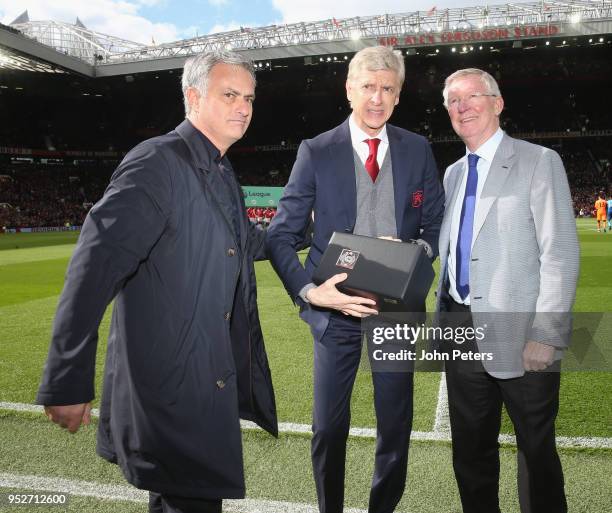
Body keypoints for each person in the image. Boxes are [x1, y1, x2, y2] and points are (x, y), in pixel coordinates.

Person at [36, 51, 278, 513]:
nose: (244, 107)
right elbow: (93, 268)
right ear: (194, 96)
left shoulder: (223, 170)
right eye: (230, 95)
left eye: (248, 97)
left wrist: (308, 232)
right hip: (169, 387)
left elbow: (246, 243)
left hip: (207, 378)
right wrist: (66, 380)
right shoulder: (156, 163)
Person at [266, 46, 444, 513]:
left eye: (387, 88)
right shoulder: (316, 151)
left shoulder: (418, 148)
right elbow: (280, 236)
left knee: (395, 425)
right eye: (368, 86)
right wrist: (310, 292)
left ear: (399, 94)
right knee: (327, 426)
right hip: (335, 311)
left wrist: (412, 253)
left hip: (395, 312)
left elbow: (435, 226)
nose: (377, 98)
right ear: (349, 89)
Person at [435, 68, 580, 513]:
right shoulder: (453, 174)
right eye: (453, 101)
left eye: (472, 96)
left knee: (535, 450)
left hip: (522, 333)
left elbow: (560, 253)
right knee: (471, 452)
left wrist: (547, 334)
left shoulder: (539, 161)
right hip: (459, 328)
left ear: (497, 104)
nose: (462, 107)